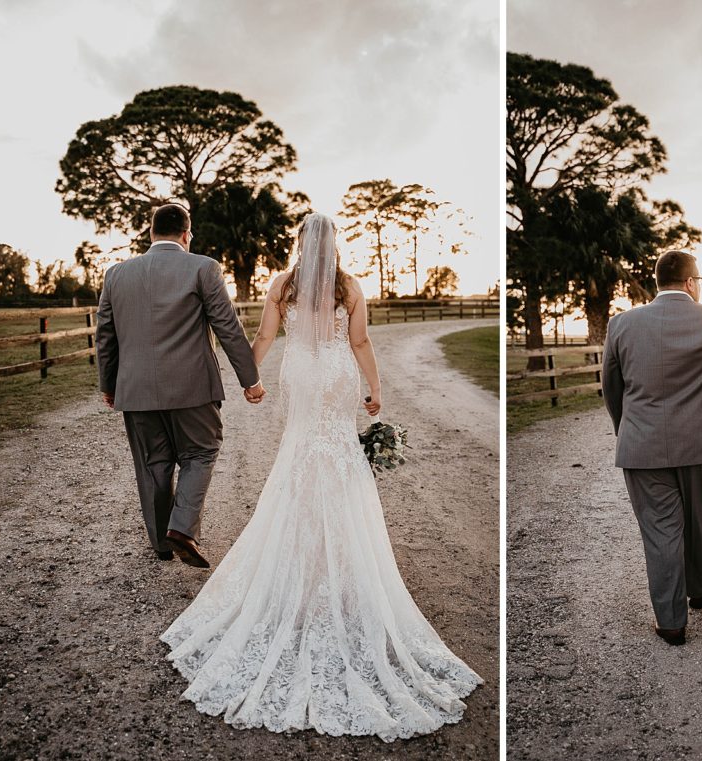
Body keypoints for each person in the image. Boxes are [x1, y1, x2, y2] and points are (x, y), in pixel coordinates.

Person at [159, 212, 481, 741]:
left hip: (302, 375)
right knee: (337, 456)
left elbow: (263, 335)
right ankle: (339, 561)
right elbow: (359, 345)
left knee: (300, 453)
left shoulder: (281, 284)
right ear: (334, 245)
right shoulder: (349, 285)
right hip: (334, 376)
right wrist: (376, 391)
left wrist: (249, 378)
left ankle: (304, 560)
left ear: (300, 244)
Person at [601, 250, 702, 646]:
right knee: (697, 514)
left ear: (658, 283)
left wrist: (627, 429)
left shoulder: (620, 323)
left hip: (641, 446)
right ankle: (700, 585)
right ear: (692, 283)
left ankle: (671, 622)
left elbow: (611, 386)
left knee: (660, 529)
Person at [95, 203, 264, 568]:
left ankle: (161, 542)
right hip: (193, 389)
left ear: (150, 232)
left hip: (136, 390)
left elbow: (105, 336)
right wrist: (249, 379)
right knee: (201, 452)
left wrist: (109, 385)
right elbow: (227, 326)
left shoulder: (116, 274)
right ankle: (183, 529)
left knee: (154, 462)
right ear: (187, 233)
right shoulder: (203, 267)